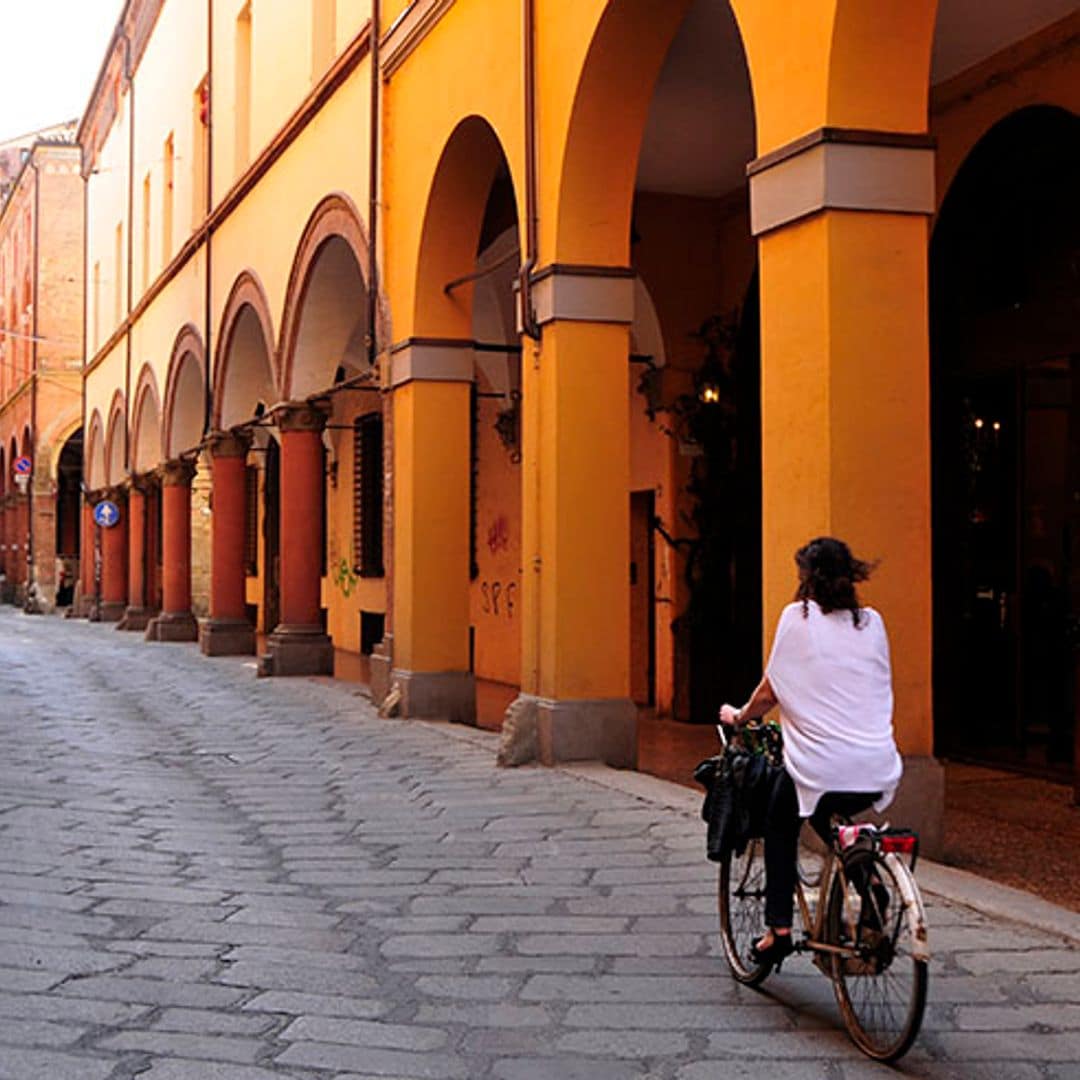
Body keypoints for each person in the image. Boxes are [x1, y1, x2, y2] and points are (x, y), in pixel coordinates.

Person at [719, 537, 902, 967]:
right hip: (878, 765)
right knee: (826, 811)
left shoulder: (796, 618)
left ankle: (778, 931)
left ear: (807, 577)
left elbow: (770, 691)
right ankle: (868, 882)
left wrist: (740, 717)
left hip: (820, 766)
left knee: (781, 820)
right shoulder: (871, 621)